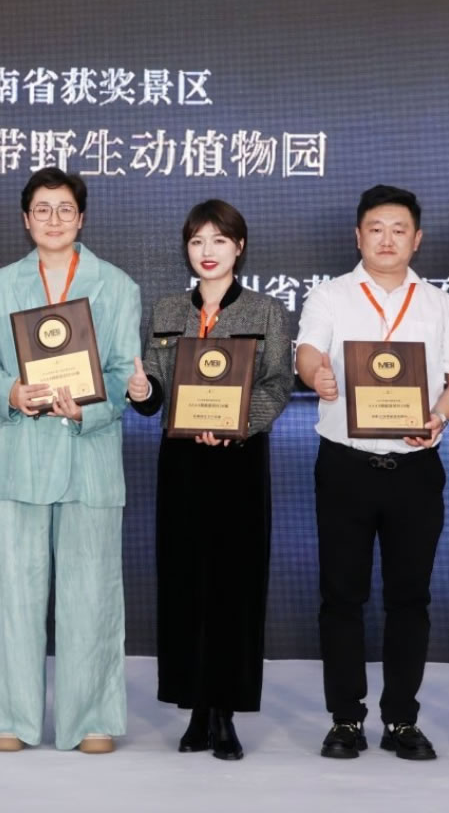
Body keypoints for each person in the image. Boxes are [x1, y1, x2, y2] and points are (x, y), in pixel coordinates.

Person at [294, 184, 449, 761]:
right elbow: (307, 353)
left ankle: (401, 718)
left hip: (414, 469)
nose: (387, 239)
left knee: (409, 598)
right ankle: (345, 718)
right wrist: (317, 375)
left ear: (417, 239)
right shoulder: (330, 296)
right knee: (341, 598)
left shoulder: (439, 305)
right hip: (345, 465)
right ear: (358, 236)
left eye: (399, 229)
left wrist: (439, 415)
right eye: (376, 228)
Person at [0, 167, 142, 754]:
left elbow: (122, 373)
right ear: (26, 219)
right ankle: (7, 716)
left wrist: (87, 408)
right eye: (42, 209)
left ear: (81, 217)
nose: (54, 219)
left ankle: (91, 717)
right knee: (11, 593)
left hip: (88, 457)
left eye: (65, 209)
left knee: (92, 594)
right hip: (16, 455)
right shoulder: (0, 285)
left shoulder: (116, 286)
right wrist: (11, 393)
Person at [128, 199, 294, 760]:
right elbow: (153, 393)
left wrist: (238, 425)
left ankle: (225, 711)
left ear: (238, 247)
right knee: (184, 582)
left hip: (240, 462)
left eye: (219, 240)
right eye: (198, 240)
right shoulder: (167, 309)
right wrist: (141, 390)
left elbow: (277, 384)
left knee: (235, 586)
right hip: (182, 464)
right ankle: (195, 707)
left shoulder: (266, 312)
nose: (207, 251)